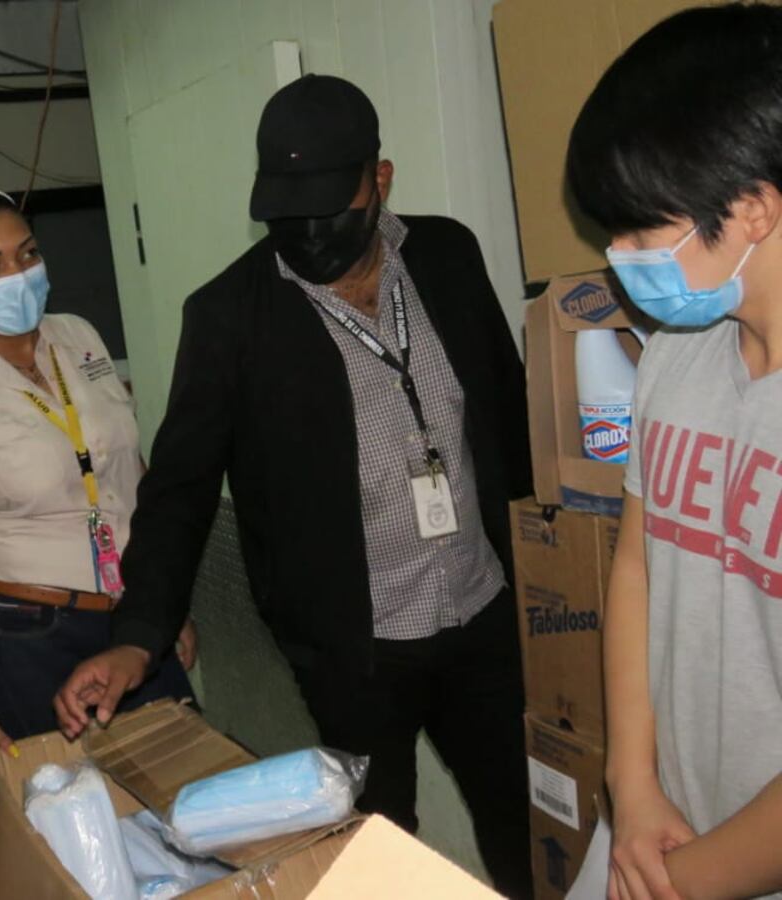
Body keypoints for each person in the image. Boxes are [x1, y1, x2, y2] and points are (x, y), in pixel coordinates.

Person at [55, 75, 533, 898]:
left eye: (329, 204)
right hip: (356, 646)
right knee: (382, 847)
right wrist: (139, 635)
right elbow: (180, 491)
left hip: (484, 609)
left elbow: (510, 413)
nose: (307, 232)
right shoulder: (231, 316)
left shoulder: (448, 255)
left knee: (522, 819)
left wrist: (550, 565)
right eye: (287, 211)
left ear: (379, 182)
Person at [565, 6, 782, 899]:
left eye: (642, 235)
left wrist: (684, 884)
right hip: (660, 826)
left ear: (754, 209)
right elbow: (638, 568)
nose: (619, 260)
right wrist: (632, 782)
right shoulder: (678, 355)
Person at [0, 188, 195, 757]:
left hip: (131, 619)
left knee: (184, 785)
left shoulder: (79, 336)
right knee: (71, 820)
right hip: (24, 634)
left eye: (27, 254)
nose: (19, 275)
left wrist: (161, 608)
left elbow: (134, 477)